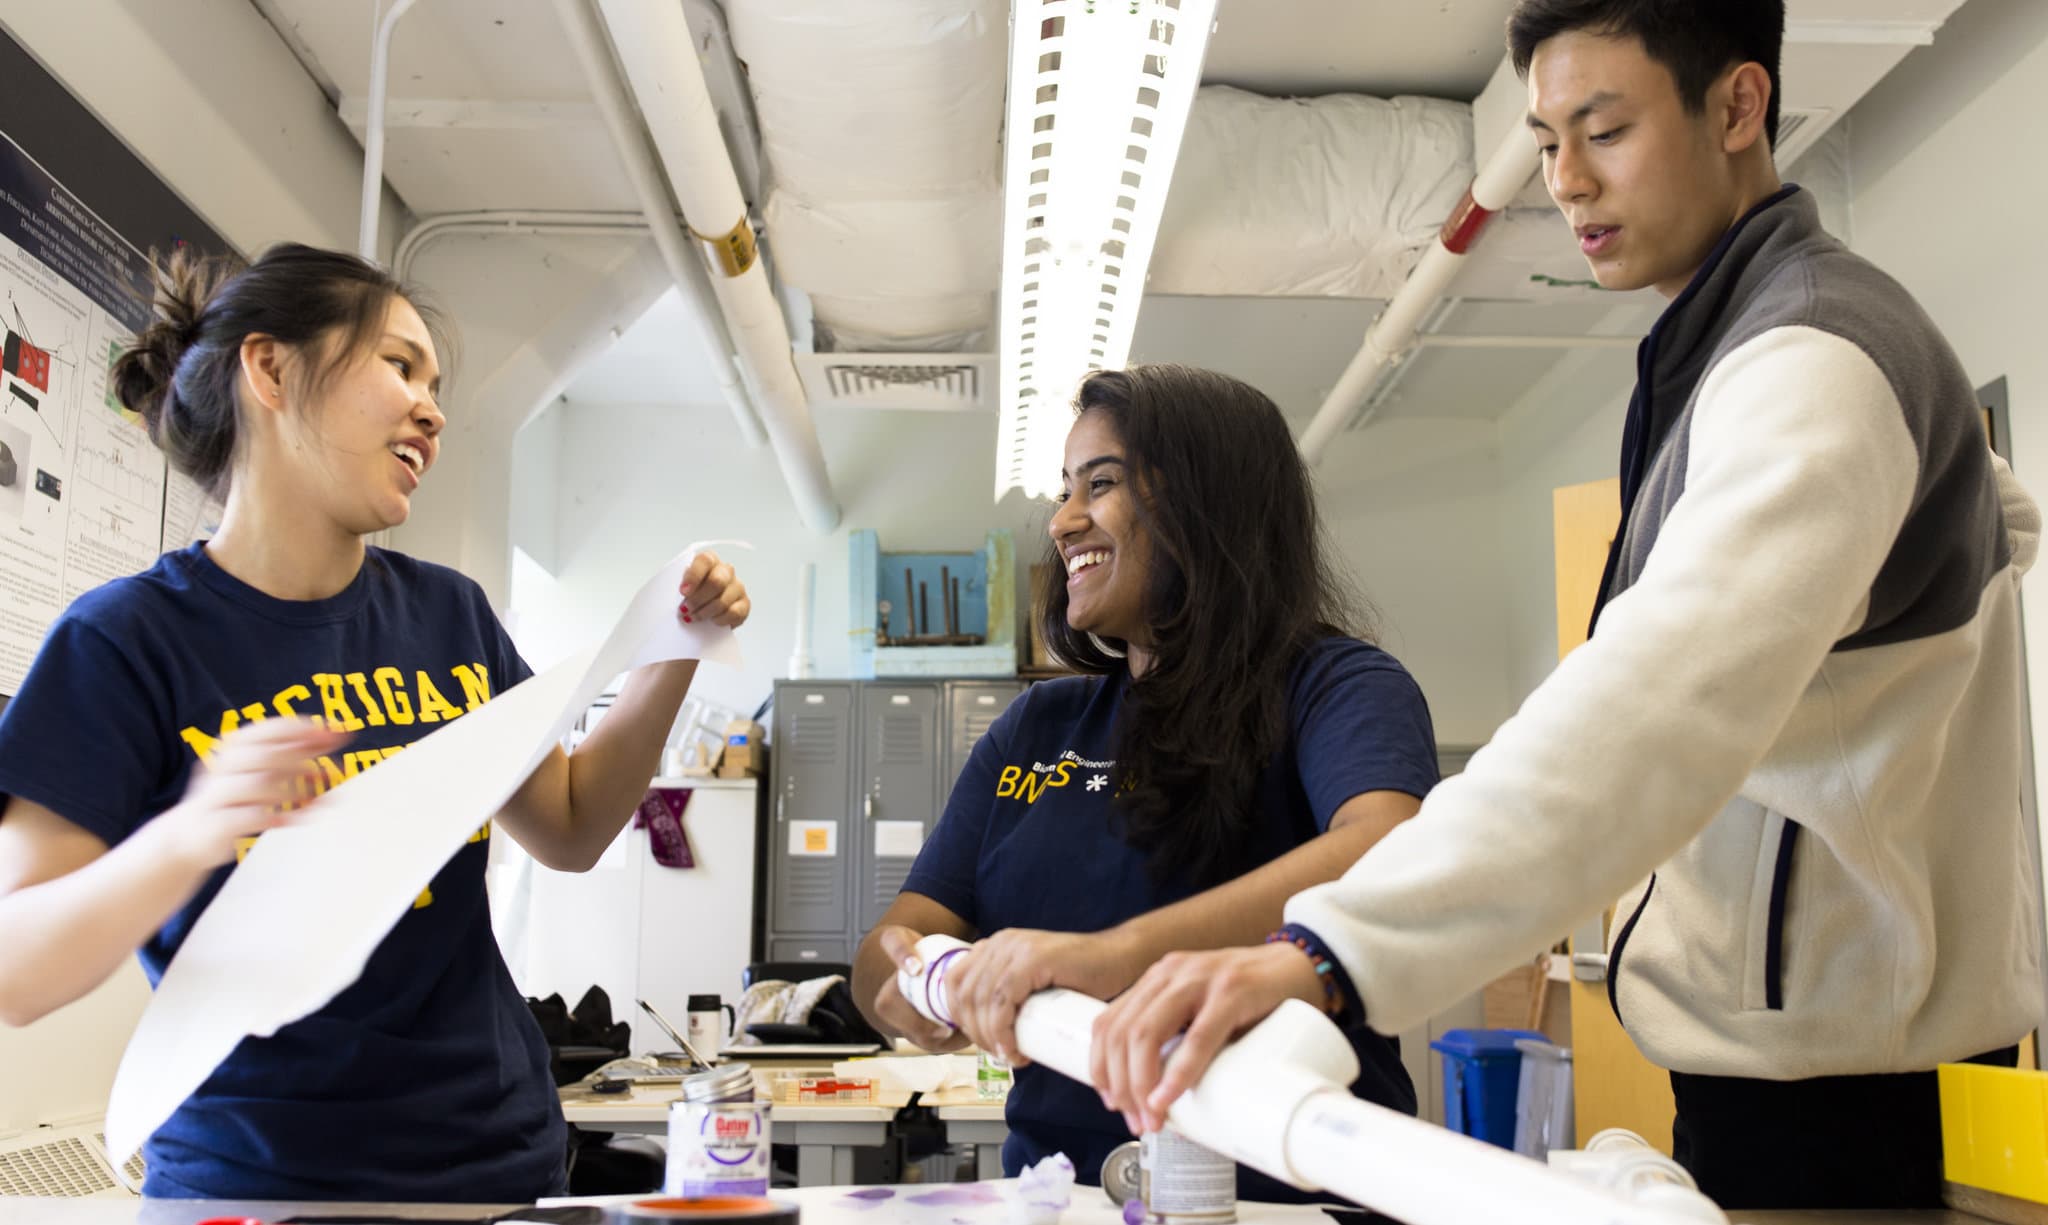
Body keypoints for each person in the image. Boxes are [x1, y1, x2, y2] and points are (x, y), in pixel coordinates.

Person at [1087, 0, 2042, 1211]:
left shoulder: (1813, 357)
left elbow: (1644, 706)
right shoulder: (1748, 347)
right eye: (1543, 142)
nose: (1565, 184)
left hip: (1851, 1080)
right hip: (1804, 1044)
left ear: (1738, 106)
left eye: (1603, 130)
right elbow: (2000, 519)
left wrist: (1329, 949)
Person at [0, 244, 750, 1201]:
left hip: (496, 1164)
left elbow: (569, 826)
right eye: (400, 365)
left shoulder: (451, 615)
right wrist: (193, 831)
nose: (432, 410)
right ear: (270, 369)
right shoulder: (124, 640)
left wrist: (672, 646)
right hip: (264, 1183)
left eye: (435, 382)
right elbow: (17, 966)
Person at [852, 364, 1440, 1201]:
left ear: (1206, 502)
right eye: (1065, 489)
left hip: (1281, 1203)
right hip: (1064, 1197)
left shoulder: (1334, 686)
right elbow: (893, 940)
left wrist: (1112, 958)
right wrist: (909, 984)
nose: (1062, 521)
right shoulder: (1037, 730)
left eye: (1102, 483)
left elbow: (1383, 849)